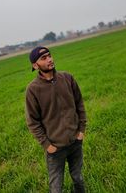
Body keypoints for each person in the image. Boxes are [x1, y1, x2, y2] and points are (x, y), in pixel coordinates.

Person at [25, 46, 87, 193]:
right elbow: (32, 122)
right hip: (55, 148)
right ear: (35, 65)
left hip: (75, 141)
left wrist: (81, 131)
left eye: (49, 55)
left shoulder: (67, 78)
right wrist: (47, 145)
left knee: (78, 178)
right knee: (56, 188)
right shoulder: (33, 89)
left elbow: (79, 104)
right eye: (44, 58)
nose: (50, 59)